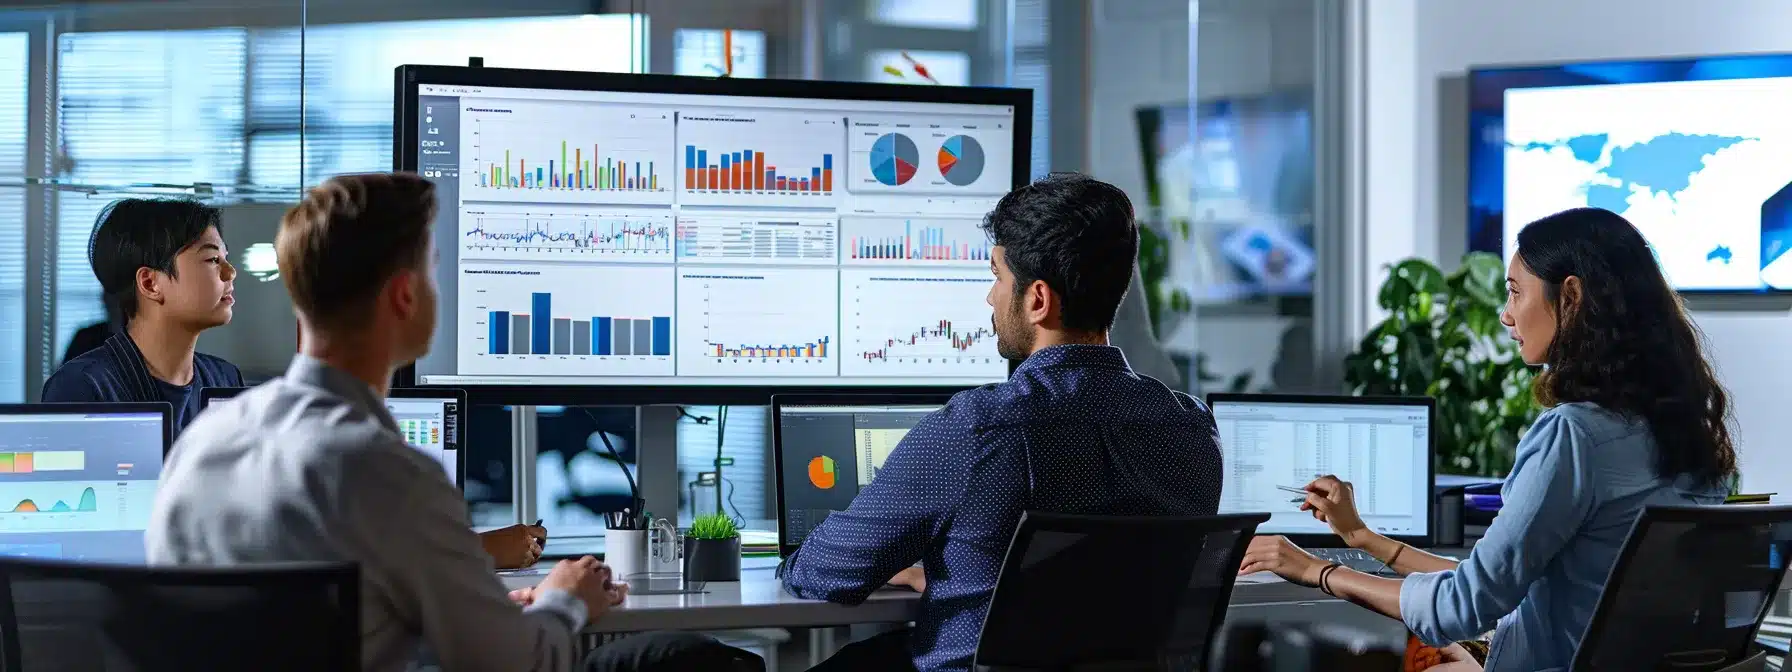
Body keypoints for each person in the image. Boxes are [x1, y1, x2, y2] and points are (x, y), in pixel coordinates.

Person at [148, 173, 760, 672]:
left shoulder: (204, 441)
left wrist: (480, 605)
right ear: (405, 298)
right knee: (689, 660)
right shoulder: (383, 469)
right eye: (437, 271)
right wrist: (565, 602)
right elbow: (520, 665)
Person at [1238, 207, 1735, 671]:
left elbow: (1463, 606)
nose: (1505, 313)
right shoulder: (1688, 435)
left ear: (1571, 297)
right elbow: (1498, 584)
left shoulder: (1574, 435)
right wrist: (1363, 539)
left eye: (1516, 291)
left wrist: (1314, 570)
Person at [780, 173, 1225, 672]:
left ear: (1038, 299)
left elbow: (828, 573)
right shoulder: (1193, 429)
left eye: (997, 276)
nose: (991, 299)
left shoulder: (979, 429)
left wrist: (930, 567)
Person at [41, 199, 244, 434]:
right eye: (213, 260)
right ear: (150, 283)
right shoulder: (82, 386)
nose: (231, 272)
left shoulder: (224, 378)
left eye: (225, 258)